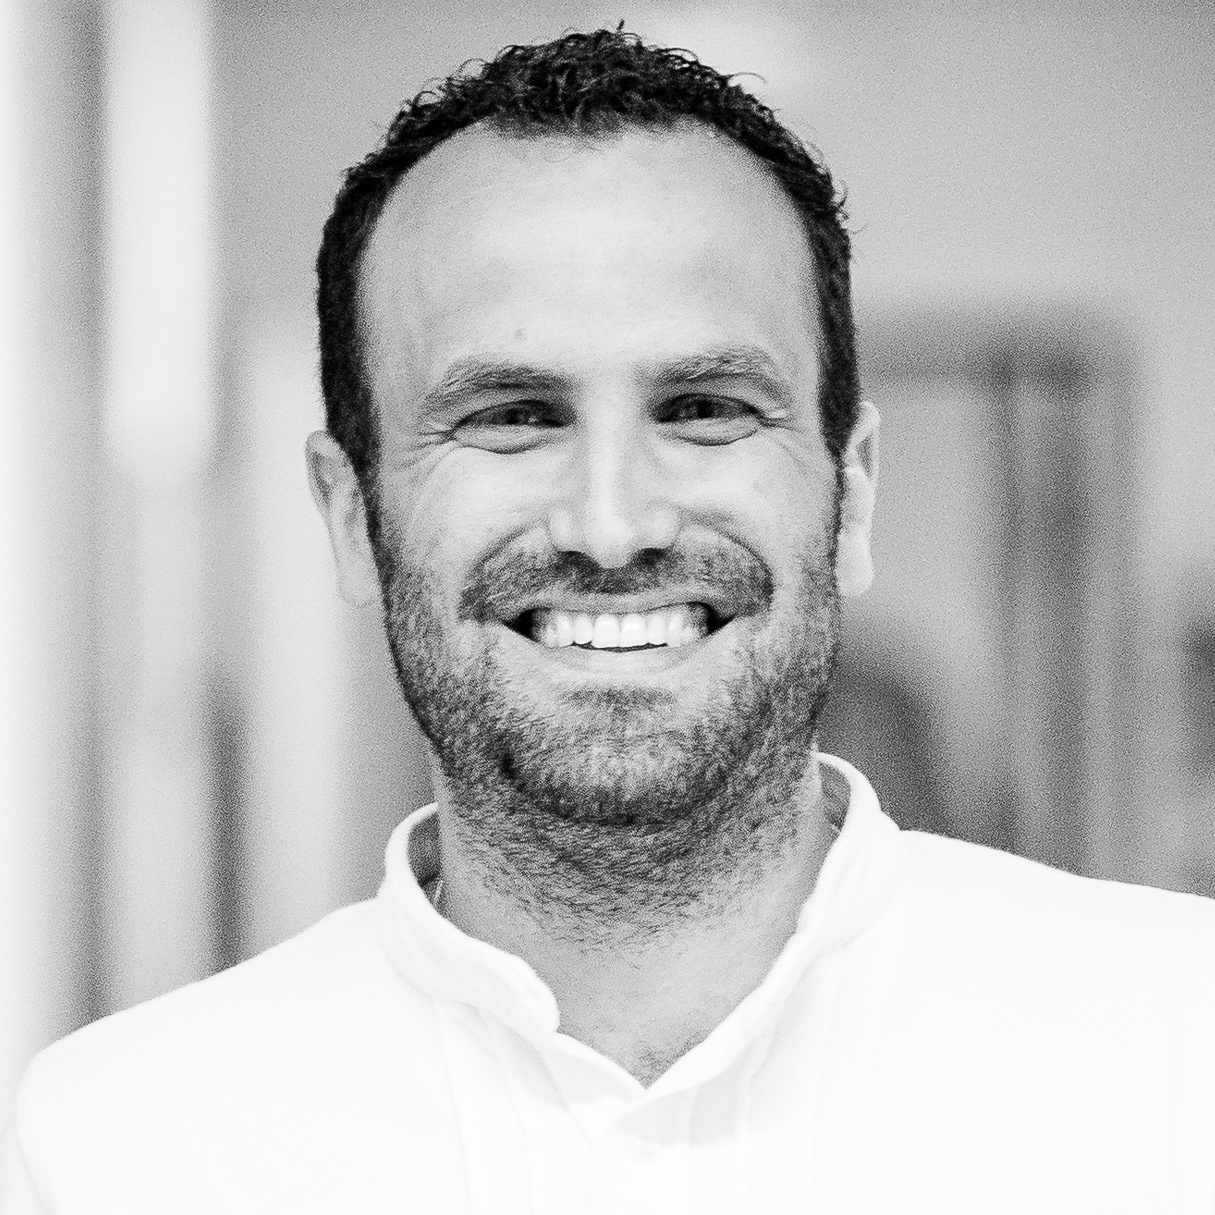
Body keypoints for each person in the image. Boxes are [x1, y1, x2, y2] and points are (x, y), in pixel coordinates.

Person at [3, 27, 1214, 1214]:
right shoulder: (113, 1153)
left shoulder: (1183, 1052)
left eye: (704, 406)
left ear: (852, 494)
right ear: (350, 515)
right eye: (511, 416)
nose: (613, 523)